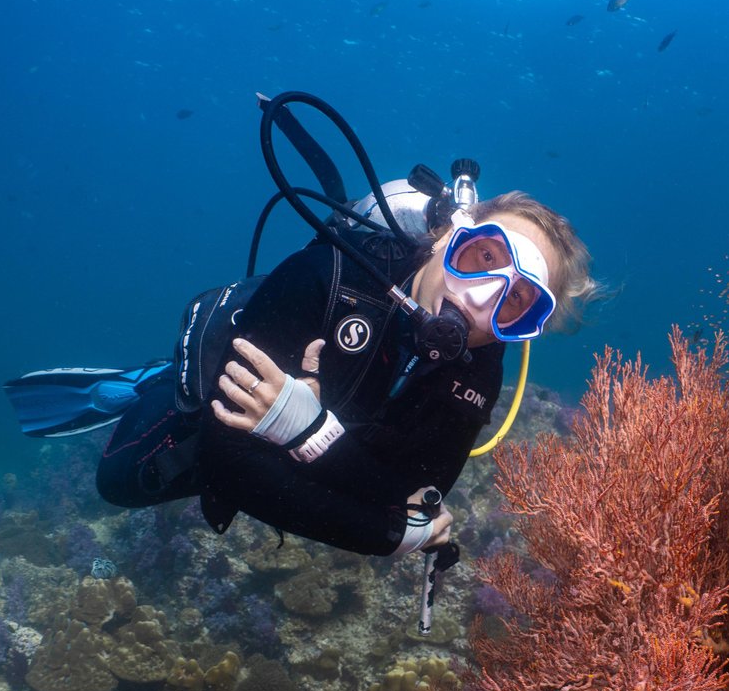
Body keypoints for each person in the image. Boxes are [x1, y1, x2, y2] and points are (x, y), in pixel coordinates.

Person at [84, 189, 597, 557]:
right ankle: (157, 377)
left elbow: (417, 497)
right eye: (482, 257)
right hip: (241, 399)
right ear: (447, 238)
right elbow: (227, 463)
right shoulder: (325, 276)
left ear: (525, 326)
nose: (483, 298)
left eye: (518, 302)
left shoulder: (480, 368)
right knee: (120, 482)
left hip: (318, 439)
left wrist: (307, 432)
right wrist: (383, 535)